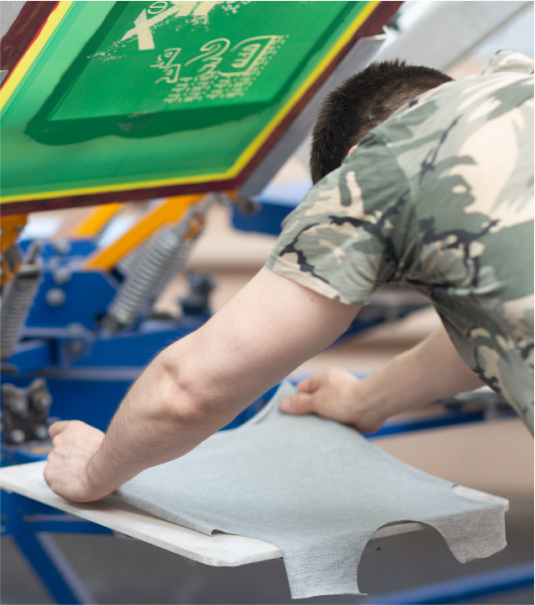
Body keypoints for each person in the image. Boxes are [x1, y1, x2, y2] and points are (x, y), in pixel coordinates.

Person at [44, 50, 534, 503]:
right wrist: (365, 399)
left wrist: (92, 470)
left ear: (355, 157)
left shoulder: (376, 167)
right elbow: (496, 320)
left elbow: (190, 391)